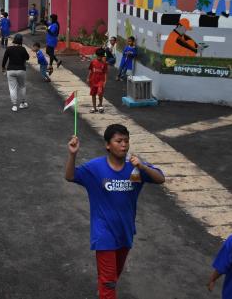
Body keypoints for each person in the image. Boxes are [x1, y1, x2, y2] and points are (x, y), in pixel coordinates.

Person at [65, 124, 165, 299]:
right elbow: (70, 176)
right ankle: (105, 289)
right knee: (109, 282)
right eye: (118, 141)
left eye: (126, 141)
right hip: (103, 233)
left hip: (125, 232)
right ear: (108, 145)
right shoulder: (95, 168)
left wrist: (143, 167)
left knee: (113, 276)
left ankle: (104, 287)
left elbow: (160, 179)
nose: (124, 145)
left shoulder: (135, 167)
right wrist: (72, 155)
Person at [2, 34, 30, 112]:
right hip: (21, 70)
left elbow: (4, 59)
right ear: (21, 41)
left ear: (14, 40)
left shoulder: (9, 49)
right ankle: (22, 103)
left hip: (10, 70)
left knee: (12, 88)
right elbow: (27, 58)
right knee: (22, 86)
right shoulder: (23, 49)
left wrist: (3, 68)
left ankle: (14, 105)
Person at [88, 48, 109, 113]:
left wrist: (105, 81)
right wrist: (88, 78)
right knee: (93, 94)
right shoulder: (93, 62)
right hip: (93, 80)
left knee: (100, 93)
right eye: (98, 56)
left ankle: (100, 105)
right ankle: (94, 108)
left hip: (101, 81)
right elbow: (90, 70)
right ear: (96, 55)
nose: (99, 57)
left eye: (100, 56)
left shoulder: (104, 64)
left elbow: (105, 72)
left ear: (103, 56)